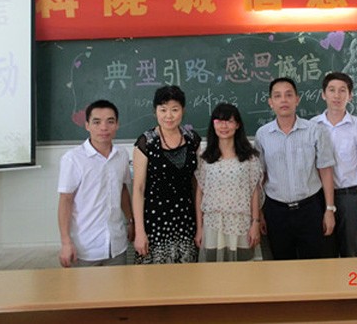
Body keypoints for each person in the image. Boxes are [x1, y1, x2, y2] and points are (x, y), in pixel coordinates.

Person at [254, 77, 336, 260]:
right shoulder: (263, 134)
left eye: (289, 95)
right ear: (270, 102)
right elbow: (260, 177)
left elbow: (326, 171)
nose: (283, 100)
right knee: (281, 265)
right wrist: (259, 213)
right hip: (276, 211)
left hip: (310, 208)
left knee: (313, 264)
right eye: (277, 96)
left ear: (297, 99)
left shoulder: (314, 130)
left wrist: (329, 209)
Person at [57, 99, 133, 268]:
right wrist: (66, 242)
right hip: (85, 248)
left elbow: (122, 190)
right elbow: (65, 201)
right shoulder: (73, 159)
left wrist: (130, 221)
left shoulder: (122, 155)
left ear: (117, 125)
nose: (104, 128)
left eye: (110, 121)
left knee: (120, 285)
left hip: (117, 245)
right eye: (96, 122)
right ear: (87, 125)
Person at [132, 85, 201, 264]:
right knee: (154, 278)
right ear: (155, 111)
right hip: (154, 223)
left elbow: (197, 185)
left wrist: (200, 226)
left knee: (186, 277)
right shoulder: (146, 142)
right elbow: (138, 189)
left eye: (174, 110)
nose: (168, 116)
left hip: (186, 222)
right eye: (163, 110)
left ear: (182, 111)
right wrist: (139, 232)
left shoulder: (192, 140)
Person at [311, 72, 357, 258]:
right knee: (324, 252)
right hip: (319, 198)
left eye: (342, 90)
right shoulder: (312, 125)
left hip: (349, 197)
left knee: (350, 252)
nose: (336, 96)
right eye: (332, 90)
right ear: (323, 94)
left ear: (350, 95)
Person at [194, 103, 263, 262]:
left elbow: (254, 192)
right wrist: (200, 228)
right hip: (213, 224)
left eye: (229, 121)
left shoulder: (249, 158)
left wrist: (255, 223)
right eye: (219, 121)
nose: (224, 126)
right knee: (213, 272)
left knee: (243, 272)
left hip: (241, 224)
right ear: (213, 125)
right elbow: (200, 194)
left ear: (237, 125)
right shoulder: (205, 158)